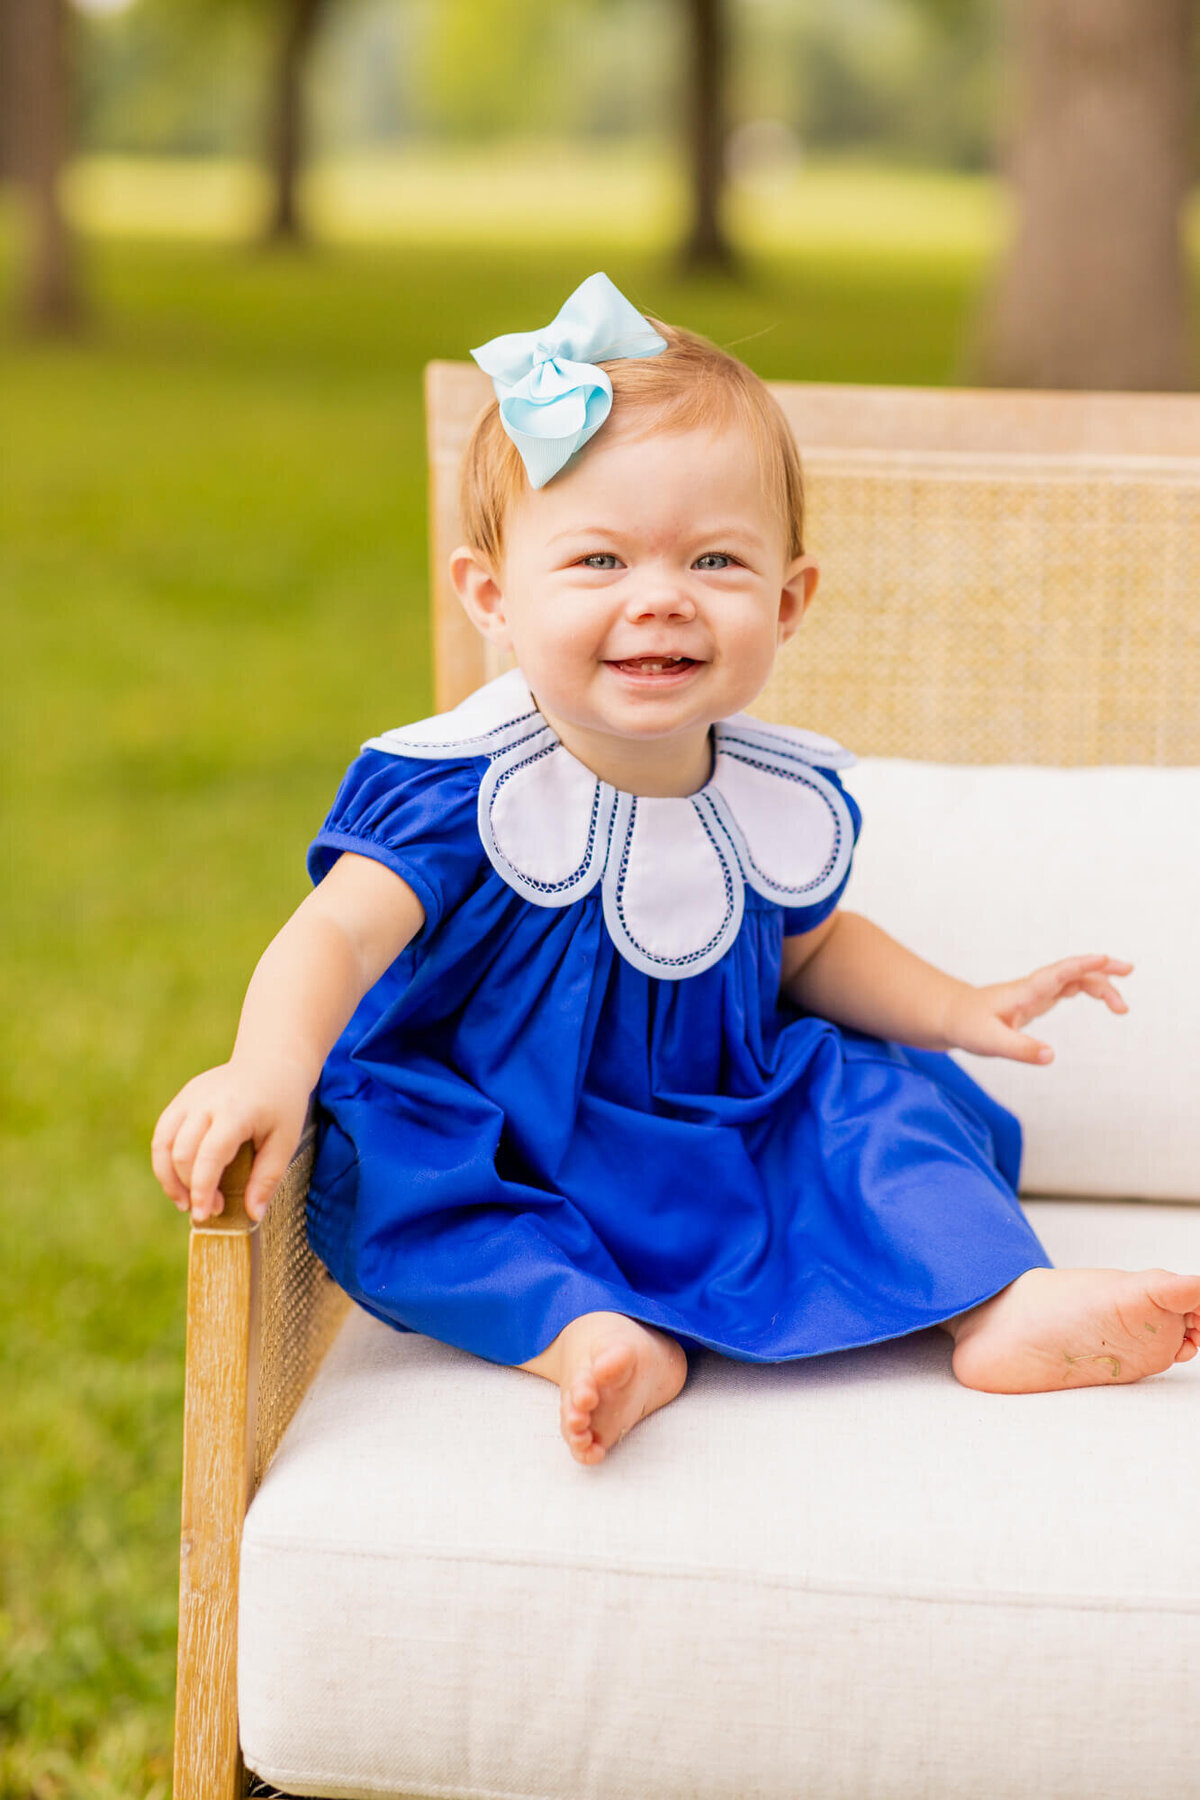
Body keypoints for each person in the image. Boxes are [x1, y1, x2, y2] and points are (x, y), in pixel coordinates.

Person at [152, 273, 1200, 1467]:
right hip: (510, 1131)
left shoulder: (765, 793)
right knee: (393, 1169)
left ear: (789, 601)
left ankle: (1000, 1301)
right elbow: (336, 935)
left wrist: (963, 1006)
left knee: (881, 1110)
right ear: (491, 596)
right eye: (600, 561)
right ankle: (590, 1332)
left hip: (722, 1119)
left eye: (713, 562)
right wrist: (268, 1065)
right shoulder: (469, 790)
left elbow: (812, 945)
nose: (660, 601)